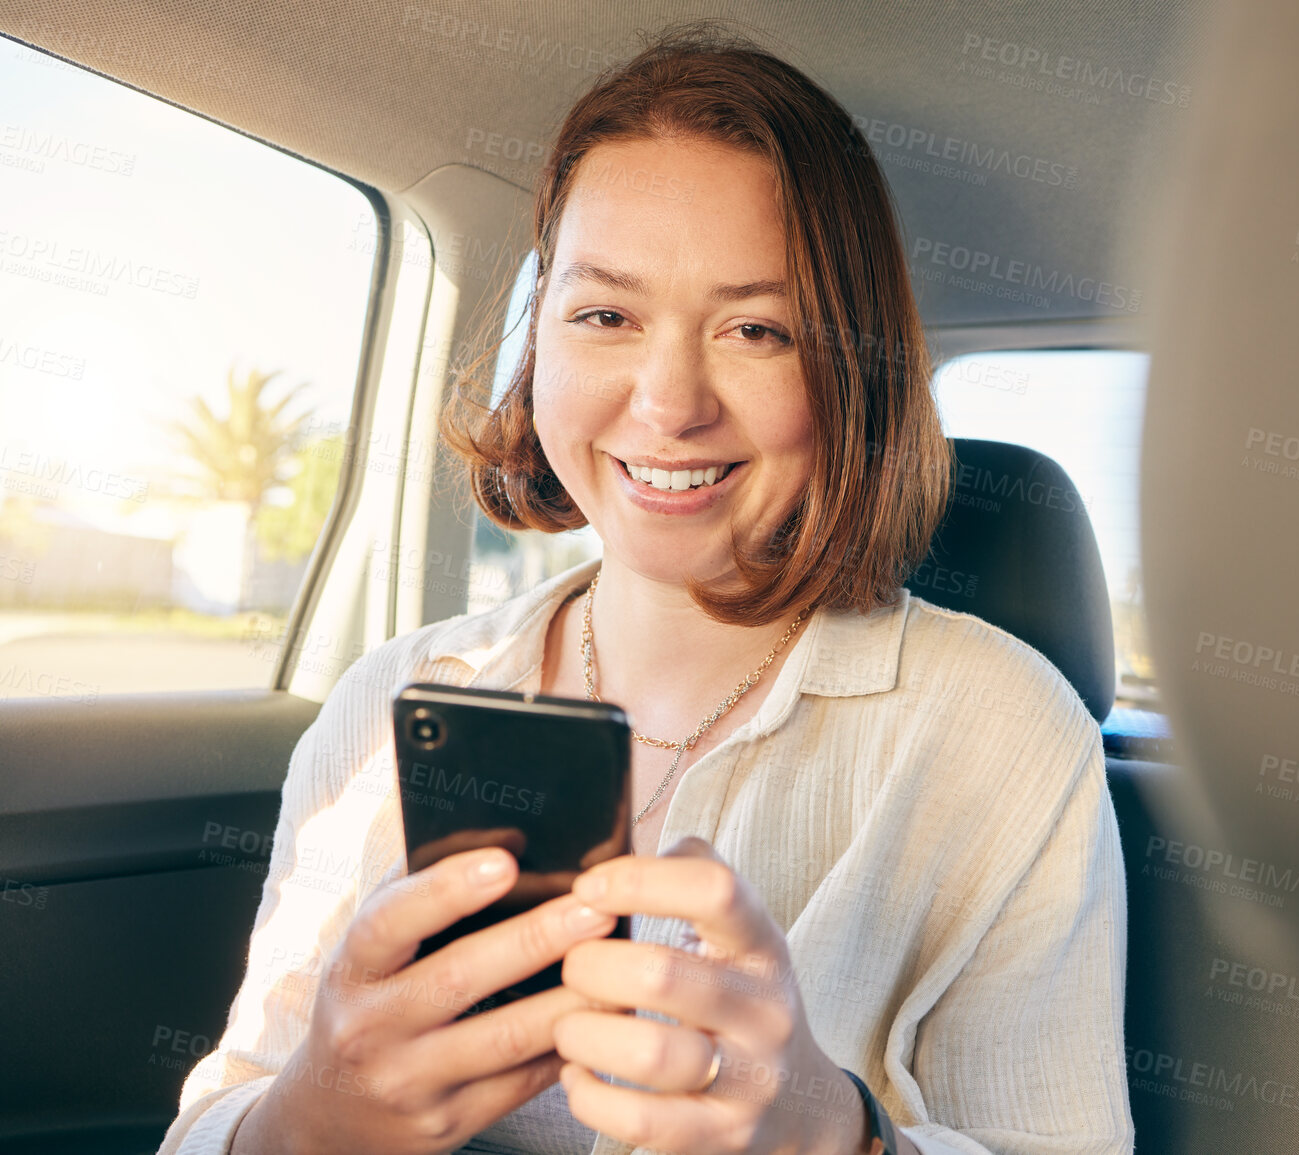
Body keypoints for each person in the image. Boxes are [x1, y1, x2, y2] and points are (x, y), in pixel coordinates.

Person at [157, 22, 1130, 1155]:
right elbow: (215, 1124)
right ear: (541, 350)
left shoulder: (1005, 736)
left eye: (755, 329)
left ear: (850, 375)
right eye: (605, 315)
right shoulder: (392, 700)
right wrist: (311, 1115)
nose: (668, 404)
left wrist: (834, 1133)